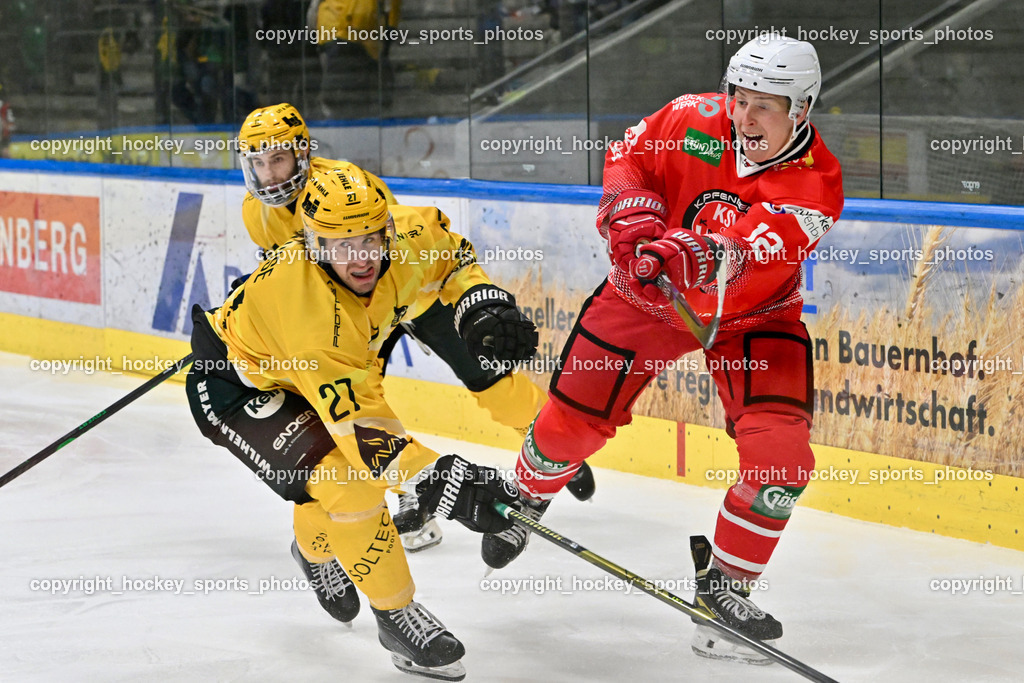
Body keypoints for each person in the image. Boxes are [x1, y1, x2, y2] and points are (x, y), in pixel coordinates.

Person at [475, 35, 844, 664]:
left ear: (802, 109)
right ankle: (530, 492)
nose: (744, 117)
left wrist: (688, 250)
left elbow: (752, 247)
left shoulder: (816, 181)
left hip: (750, 316)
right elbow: (626, 156)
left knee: (781, 460)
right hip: (644, 301)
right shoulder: (690, 119)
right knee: (569, 428)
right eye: (740, 99)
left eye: (765, 107)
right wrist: (630, 214)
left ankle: (725, 593)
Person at [185, 164, 546, 679]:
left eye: (369, 240)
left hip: (298, 371)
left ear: (387, 230)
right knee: (347, 484)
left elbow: (453, 256)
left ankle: (311, 550)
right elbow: (368, 438)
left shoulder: (406, 237)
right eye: (340, 244)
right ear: (313, 245)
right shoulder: (312, 318)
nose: (360, 258)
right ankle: (395, 616)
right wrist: (442, 478)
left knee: (336, 489)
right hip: (238, 387)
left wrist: (476, 301)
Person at [234, 103, 595, 570]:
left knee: (489, 378)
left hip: (405, 296)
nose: (269, 174)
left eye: (278, 159)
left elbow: (395, 250)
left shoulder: (345, 181)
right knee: (360, 408)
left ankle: (549, 440)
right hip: (348, 316)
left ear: (302, 154)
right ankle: (412, 493)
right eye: (258, 162)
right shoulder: (255, 212)